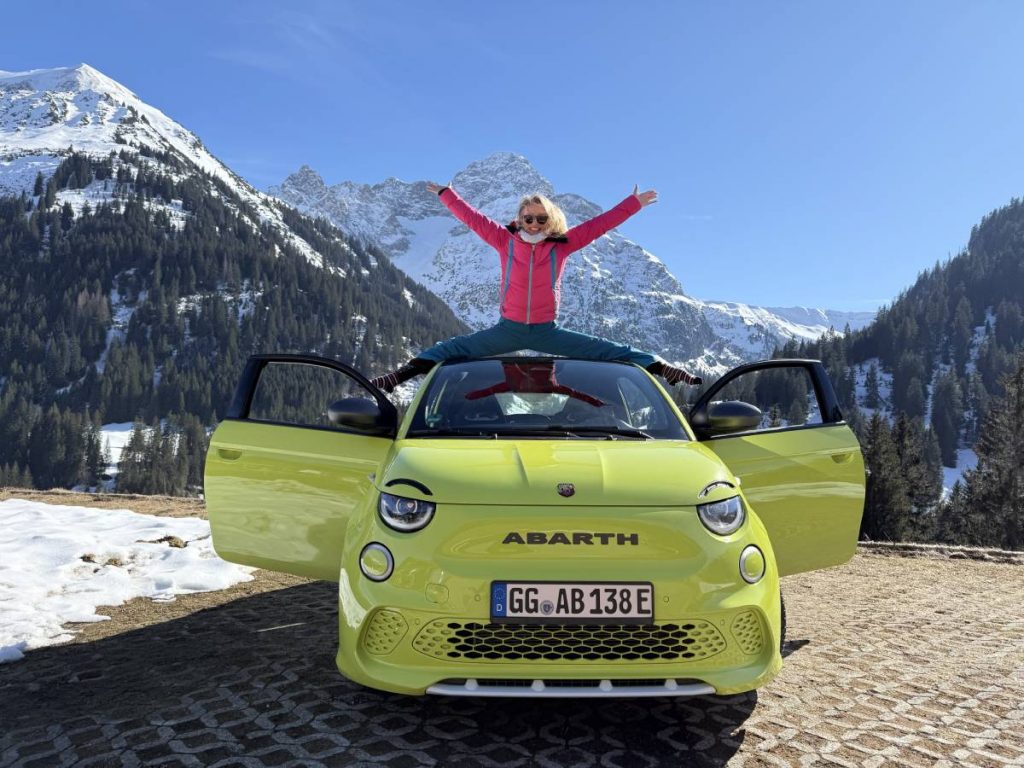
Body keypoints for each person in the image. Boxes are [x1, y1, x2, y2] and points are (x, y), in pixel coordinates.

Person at [370, 182, 702, 392]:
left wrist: (633, 203)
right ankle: (395, 378)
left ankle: (665, 370)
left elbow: (600, 225)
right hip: (507, 331)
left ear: (551, 220)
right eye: (528, 218)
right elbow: (472, 218)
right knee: (446, 349)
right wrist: (448, 195)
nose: (534, 224)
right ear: (519, 219)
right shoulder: (504, 241)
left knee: (612, 350)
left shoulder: (563, 245)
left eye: (541, 219)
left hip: (547, 331)